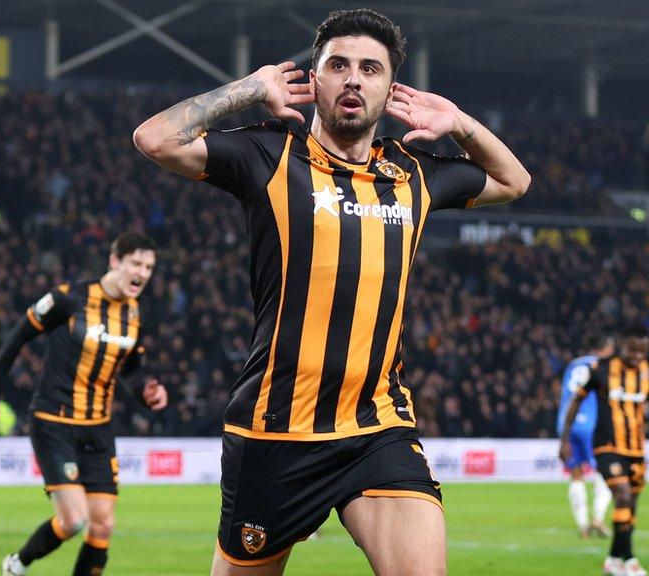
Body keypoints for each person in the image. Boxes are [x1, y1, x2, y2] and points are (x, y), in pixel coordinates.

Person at [134, 8, 530, 575]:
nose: (353, 78)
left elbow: (515, 181)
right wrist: (249, 89)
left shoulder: (413, 173)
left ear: (389, 88)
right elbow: (154, 138)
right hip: (277, 430)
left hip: (377, 426)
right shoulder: (270, 154)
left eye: (370, 69)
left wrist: (461, 124)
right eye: (337, 65)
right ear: (314, 80)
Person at [0, 232, 168, 576]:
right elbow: (17, 336)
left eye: (149, 266)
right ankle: (17, 565)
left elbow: (133, 370)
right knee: (73, 519)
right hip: (54, 422)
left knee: (103, 526)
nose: (143, 272)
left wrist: (147, 392)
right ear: (115, 261)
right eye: (136, 263)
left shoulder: (136, 312)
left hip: (98, 429)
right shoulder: (69, 298)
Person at [559, 325, 649, 576]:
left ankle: (613, 560)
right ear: (621, 345)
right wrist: (564, 439)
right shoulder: (601, 369)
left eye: (642, 351)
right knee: (623, 495)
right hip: (607, 446)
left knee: (630, 506)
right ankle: (631, 560)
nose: (637, 356)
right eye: (632, 350)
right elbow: (575, 401)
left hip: (636, 447)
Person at [556, 332, 614, 538]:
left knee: (576, 475)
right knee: (605, 470)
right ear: (606, 347)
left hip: (567, 424)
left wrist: (562, 434)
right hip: (593, 423)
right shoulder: (603, 366)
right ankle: (597, 519)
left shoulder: (572, 365)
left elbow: (565, 395)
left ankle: (583, 527)